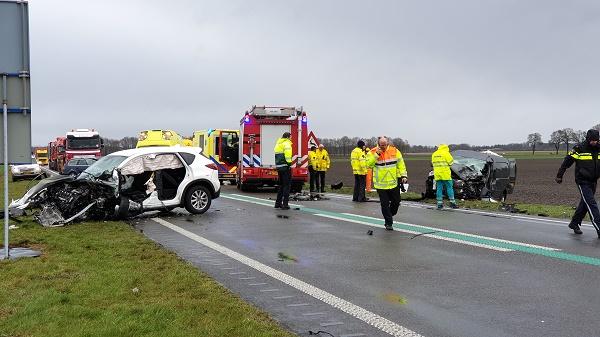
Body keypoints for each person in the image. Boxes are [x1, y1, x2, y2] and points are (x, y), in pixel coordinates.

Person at [556, 129, 600, 237]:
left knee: (585, 203)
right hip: (582, 180)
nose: (594, 142)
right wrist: (559, 175)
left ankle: (574, 223)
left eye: (596, 140)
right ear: (588, 139)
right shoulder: (579, 148)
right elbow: (567, 161)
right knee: (591, 203)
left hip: (593, 180)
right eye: (592, 140)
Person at [366, 136, 408, 230]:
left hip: (393, 182)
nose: (383, 147)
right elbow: (368, 165)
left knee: (396, 202)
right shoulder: (372, 152)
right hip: (380, 184)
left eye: (385, 145)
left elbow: (401, 164)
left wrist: (404, 176)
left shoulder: (395, 151)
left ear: (388, 143)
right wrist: (376, 155)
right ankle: (388, 223)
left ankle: (389, 214)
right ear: (378, 144)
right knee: (384, 204)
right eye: (381, 145)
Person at [431, 144, 458, 209]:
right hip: (445, 174)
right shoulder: (446, 153)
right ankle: (452, 203)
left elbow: (432, 163)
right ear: (446, 148)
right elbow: (451, 162)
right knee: (449, 188)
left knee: (439, 188)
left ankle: (439, 204)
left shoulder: (434, 154)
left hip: (437, 174)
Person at [274, 132, 293, 210]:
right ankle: (285, 204)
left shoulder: (278, 144)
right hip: (285, 167)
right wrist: (289, 164)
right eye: (291, 137)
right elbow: (288, 156)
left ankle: (278, 203)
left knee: (281, 185)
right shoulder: (287, 144)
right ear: (288, 137)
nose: (291, 138)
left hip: (279, 167)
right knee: (286, 186)